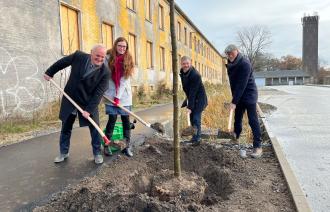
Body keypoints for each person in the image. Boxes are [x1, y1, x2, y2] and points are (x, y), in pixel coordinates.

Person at [44, 44, 109, 164]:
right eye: (97, 56)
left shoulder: (105, 72)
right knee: (66, 126)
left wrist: (89, 110)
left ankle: (97, 153)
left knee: (95, 127)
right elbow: (62, 62)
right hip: (71, 98)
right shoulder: (78, 56)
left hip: (88, 102)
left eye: (102, 57)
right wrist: (49, 72)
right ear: (91, 53)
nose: (100, 59)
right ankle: (63, 152)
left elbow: (98, 94)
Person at [225, 44, 262, 158]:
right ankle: (235, 137)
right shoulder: (230, 64)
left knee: (253, 120)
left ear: (237, 51)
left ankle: (258, 146)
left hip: (249, 94)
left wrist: (234, 102)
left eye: (232, 53)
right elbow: (233, 84)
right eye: (228, 53)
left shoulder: (244, 64)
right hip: (239, 95)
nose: (230, 55)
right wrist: (234, 99)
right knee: (237, 119)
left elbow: (242, 84)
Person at [103, 37, 134, 157]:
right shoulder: (107, 58)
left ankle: (127, 146)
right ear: (116, 45)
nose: (122, 48)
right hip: (110, 94)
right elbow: (103, 75)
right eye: (120, 46)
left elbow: (124, 81)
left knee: (126, 121)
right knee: (112, 119)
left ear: (126, 48)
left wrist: (118, 97)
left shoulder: (128, 60)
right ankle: (107, 145)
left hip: (124, 95)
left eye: (124, 47)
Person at [180, 56, 208, 146]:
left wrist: (190, 107)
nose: (186, 65)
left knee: (196, 119)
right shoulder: (182, 73)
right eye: (184, 64)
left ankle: (197, 139)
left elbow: (193, 92)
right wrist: (188, 102)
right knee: (192, 119)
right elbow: (188, 90)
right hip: (192, 98)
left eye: (187, 63)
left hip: (199, 99)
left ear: (190, 63)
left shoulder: (195, 75)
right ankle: (194, 137)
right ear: (181, 64)